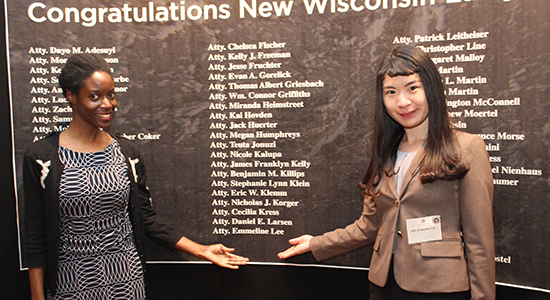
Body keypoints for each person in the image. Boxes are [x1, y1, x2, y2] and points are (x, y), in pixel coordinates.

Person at [278, 45, 495, 300]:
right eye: (391, 92)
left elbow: (479, 238)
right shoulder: (386, 153)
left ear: (431, 89)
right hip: (383, 285)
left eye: (412, 88)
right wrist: (317, 243)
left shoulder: (466, 147)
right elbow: (370, 225)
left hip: (439, 287)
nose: (402, 102)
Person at [24, 54, 248, 300]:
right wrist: (37, 295)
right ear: (71, 96)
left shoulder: (126, 152)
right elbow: (36, 233)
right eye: (94, 96)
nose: (107, 104)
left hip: (125, 278)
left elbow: (146, 216)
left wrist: (201, 250)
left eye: (111, 94)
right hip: (71, 280)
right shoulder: (42, 156)